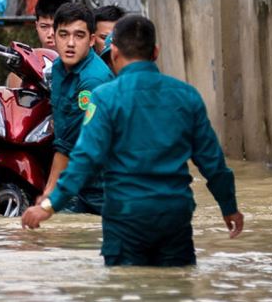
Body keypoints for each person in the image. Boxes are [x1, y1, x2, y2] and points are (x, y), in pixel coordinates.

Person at [21, 15, 244, 267]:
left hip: (125, 220)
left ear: (114, 52)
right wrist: (229, 207)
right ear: (155, 52)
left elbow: (84, 160)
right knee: (177, 283)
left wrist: (48, 206)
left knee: (125, 283)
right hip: (174, 219)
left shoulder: (104, 98)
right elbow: (213, 164)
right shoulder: (187, 96)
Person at [38, 3, 114, 215]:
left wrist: (50, 192)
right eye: (63, 35)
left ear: (91, 40)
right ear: (54, 36)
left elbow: (69, 142)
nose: (70, 43)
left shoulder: (93, 80)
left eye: (79, 36)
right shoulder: (58, 68)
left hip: (103, 186)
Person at [7, 0, 70, 88]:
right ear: (37, 26)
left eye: (56, 27)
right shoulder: (23, 69)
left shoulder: (81, 67)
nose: (50, 33)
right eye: (44, 26)